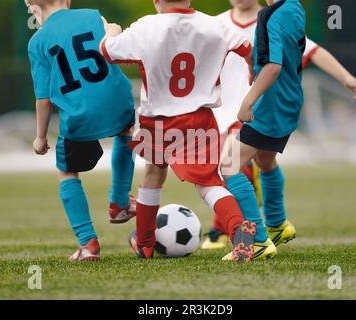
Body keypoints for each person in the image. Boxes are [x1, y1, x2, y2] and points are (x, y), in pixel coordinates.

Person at [100, 0, 261, 261]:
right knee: (209, 183)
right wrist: (252, 71)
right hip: (199, 117)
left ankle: (145, 243)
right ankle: (239, 230)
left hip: (157, 120)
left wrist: (111, 32)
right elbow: (247, 49)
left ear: (155, 1)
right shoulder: (214, 25)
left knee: (152, 175)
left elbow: (107, 51)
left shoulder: (146, 27)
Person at [202, 0, 356, 251]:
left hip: (258, 109)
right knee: (264, 162)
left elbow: (279, 64)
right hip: (245, 110)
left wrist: (345, 77)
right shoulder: (288, 10)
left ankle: (251, 239)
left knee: (230, 166)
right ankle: (278, 225)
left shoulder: (269, 18)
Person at [26, 0, 136, 261]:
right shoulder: (92, 15)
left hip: (79, 115)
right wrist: (113, 30)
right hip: (117, 100)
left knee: (67, 171)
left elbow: (43, 99)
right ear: (67, 1)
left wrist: (40, 137)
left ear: (31, 6)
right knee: (126, 131)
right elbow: (115, 42)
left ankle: (88, 244)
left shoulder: (37, 42)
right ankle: (119, 203)